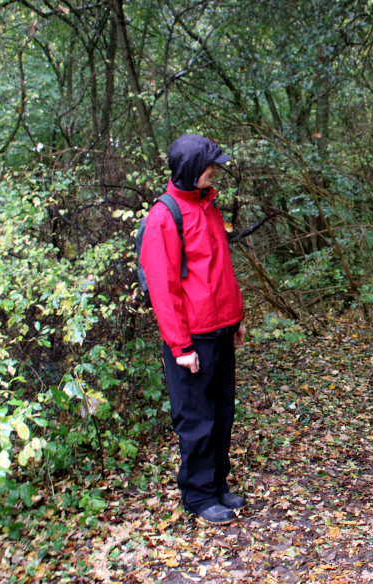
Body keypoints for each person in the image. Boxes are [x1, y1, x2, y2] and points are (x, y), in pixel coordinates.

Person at [140, 134, 247, 525]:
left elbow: (220, 271)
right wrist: (180, 345)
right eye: (210, 165)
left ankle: (217, 485)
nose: (215, 170)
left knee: (221, 413)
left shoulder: (209, 207)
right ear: (190, 168)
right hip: (192, 338)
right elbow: (163, 290)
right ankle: (198, 496)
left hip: (220, 330)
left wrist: (236, 320)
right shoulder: (164, 217)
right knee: (197, 418)